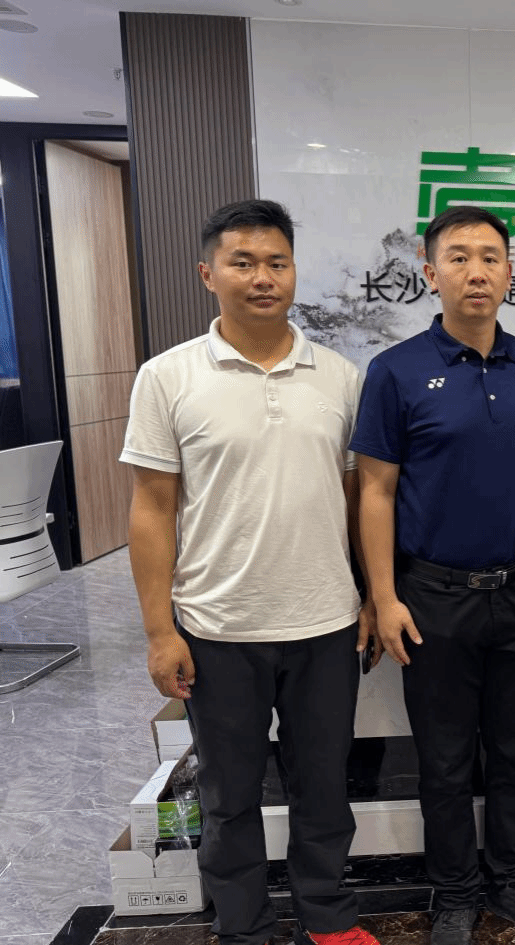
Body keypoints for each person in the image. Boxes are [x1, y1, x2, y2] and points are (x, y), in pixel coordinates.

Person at [121, 199, 378, 945]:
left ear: (294, 272)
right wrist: (159, 630)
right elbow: (151, 508)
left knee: (323, 786)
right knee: (229, 796)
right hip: (216, 628)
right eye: (243, 262)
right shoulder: (167, 377)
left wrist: (368, 596)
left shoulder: (339, 375)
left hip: (325, 624)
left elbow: (358, 498)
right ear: (209, 274)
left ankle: (326, 915)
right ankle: (243, 927)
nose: (262, 277)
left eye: (276, 262)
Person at [351, 206, 515, 945]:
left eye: (489, 257)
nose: (475, 271)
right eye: (458, 257)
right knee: (444, 762)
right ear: (430, 272)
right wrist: (383, 596)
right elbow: (375, 492)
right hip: (432, 598)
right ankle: (453, 892)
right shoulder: (394, 371)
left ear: (509, 272)